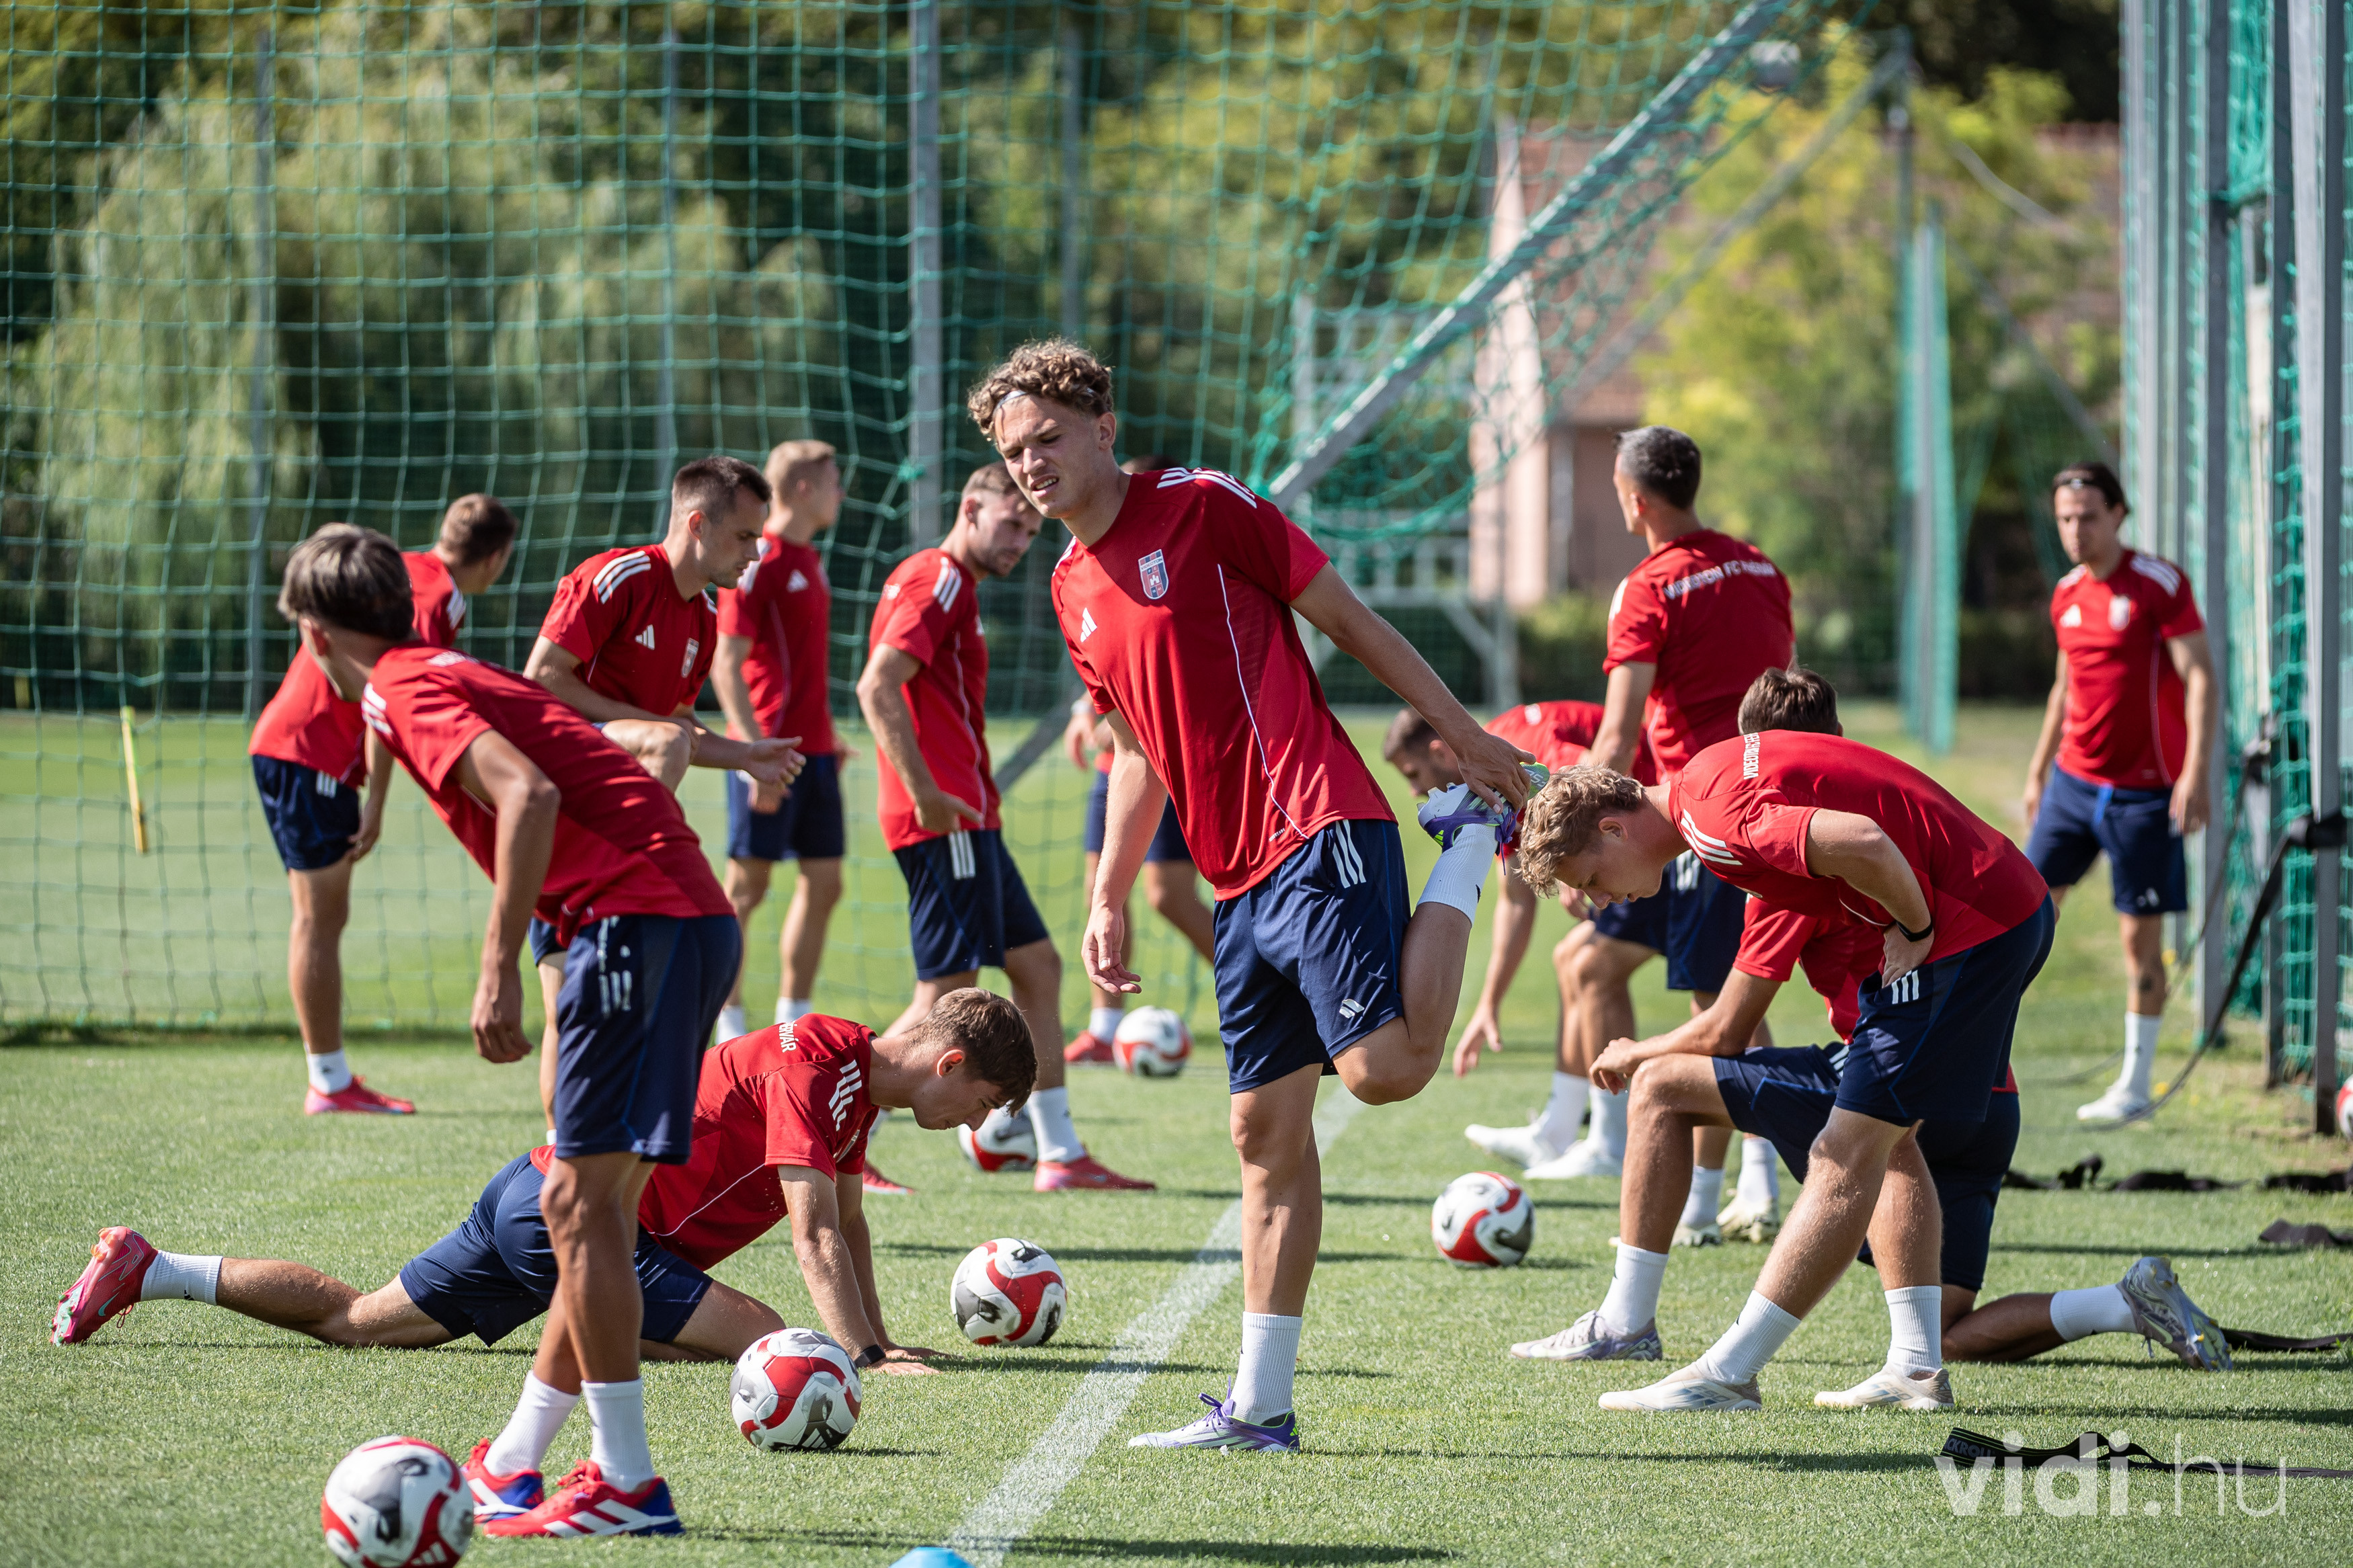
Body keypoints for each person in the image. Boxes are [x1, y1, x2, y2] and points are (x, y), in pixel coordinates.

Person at [981, 337, 1533, 1451]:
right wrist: (1107, 892)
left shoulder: (1202, 505)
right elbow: (1135, 749)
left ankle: (1471, 839)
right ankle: (1261, 1407)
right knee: (1262, 1132)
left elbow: (1350, 620)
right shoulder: (1068, 585)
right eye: (1013, 452)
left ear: (1103, 428)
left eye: (1048, 438)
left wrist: (1465, 737)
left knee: (1382, 1070)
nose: (1031, 464)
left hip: (1319, 821)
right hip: (1234, 877)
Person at [50, 989, 1039, 1523]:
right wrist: (860, 1357)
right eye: (985, 1103)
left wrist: (880, 1339)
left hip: (534, 1193)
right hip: (580, 1219)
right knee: (771, 1341)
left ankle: (155, 1266)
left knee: (359, 1322)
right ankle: (572, 1418)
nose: (976, 1123)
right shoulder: (815, 1062)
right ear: (950, 1063)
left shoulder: (851, 1084)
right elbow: (812, 1234)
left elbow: (849, 1227)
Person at [264, 524, 743, 1534]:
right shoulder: (439, 669)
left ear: (313, 633)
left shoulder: (403, 685)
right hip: (688, 917)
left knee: (577, 1206)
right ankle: (521, 1460)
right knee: (591, 1212)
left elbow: (528, 792)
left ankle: (625, 1484)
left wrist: (498, 967)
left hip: (632, 924)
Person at [1515, 720, 2052, 1413]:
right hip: (1997, 906)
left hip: (1970, 926)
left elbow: (1861, 840)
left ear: (1614, 829)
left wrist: (1914, 927)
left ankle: (1729, 1372)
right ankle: (1915, 1369)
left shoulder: (1710, 819)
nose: (1599, 900)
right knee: (1889, 1142)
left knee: (1842, 1151)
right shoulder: (1703, 786)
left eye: (1590, 879)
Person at [857, 460, 1150, 1191]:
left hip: (970, 820)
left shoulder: (953, 585)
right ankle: (841, 1138)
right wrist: (925, 792)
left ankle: (1059, 1151)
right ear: (969, 509)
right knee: (943, 993)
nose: (1020, 540)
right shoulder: (938, 578)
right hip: (946, 821)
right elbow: (877, 684)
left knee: (1038, 967)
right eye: (1010, 523)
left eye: (1029, 530)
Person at [523, 456, 805, 1139]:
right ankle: (559, 1165)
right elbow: (541, 680)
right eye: (745, 537)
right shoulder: (617, 577)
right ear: (697, 523)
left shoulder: (704, 614)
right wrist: (657, 730)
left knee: (604, 1015)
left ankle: (600, 1164)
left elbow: (677, 730)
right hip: (563, 812)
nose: (755, 553)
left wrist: (746, 755)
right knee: (566, 1012)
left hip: (611, 828)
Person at [1549, 426, 1794, 1183]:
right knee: (1626, 969)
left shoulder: (1649, 586)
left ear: (1634, 500)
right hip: (1776, 792)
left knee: (1716, 1004)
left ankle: (1746, 1181)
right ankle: (1621, 1147)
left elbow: (1617, 731)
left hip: (1698, 815)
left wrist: (1576, 842)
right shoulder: (1760, 565)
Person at [247, 495, 517, 1115]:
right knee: (319, 918)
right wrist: (379, 802)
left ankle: (329, 1076)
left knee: (322, 917)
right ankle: (328, 1081)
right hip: (310, 752)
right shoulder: (435, 596)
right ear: (497, 558)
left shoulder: (406, 569)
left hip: (301, 750)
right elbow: (394, 692)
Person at [2021, 462, 2217, 1126]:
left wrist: (2193, 772)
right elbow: (2064, 685)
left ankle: (2134, 1085)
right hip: (2072, 785)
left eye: (2087, 517)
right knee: (2018, 913)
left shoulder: (2158, 584)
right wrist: (2037, 769)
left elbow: (2200, 677)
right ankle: (1982, 1063)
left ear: (2117, 514)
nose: (2075, 530)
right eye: (2064, 518)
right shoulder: (2066, 593)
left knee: (2139, 941)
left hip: (2143, 797)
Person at [1382, 700, 1647, 1178]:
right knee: (1574, 961)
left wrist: (1583, 851)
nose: (1416, 790)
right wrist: (1489, 1003)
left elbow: (1594, 770)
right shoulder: (1488, 781)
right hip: (1632, 841)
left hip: (1650, 836)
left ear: (1440, 751)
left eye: (1413, 773)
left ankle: (1613, 1144)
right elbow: (1516, 898)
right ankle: (1557, 1133)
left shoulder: (1516, 751)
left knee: (1591, 965)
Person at [1063, 455, 1217, 1065]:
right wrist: (1087, 710)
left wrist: (1132, 727)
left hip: (1163, 768)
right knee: (1100, 891)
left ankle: (1265, 990)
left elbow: (1163, 657)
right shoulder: (1085, 568)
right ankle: (1104, 1029)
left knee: (1167, 895)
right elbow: (1110, 659)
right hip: (1115, 771)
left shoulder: (1178, 559)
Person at [711, 440, 851, 1046]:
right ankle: (726, 1023)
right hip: (768, 752)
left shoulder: (810, 557)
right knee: (747, 889)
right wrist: (753, 755)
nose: (840, 492)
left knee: (826, 883)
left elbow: (801, 665)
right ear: (802, 488)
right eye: (833, 481)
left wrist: (828, 736)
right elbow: (726, 664)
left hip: (813, 751)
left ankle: (792, 1023)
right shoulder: (759, 558)